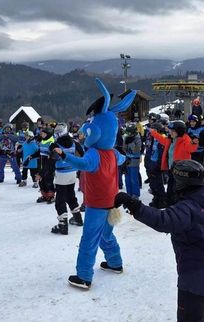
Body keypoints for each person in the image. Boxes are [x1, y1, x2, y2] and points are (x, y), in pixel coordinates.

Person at [114, 160, 204, 322]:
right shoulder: (202, 196)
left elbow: (164, 220)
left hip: (195, 274)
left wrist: (134, 205)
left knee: (191, 315)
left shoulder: (189, 207)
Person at [60, 79, 136, 290]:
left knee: (89, 239)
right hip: (111, 201)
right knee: (106, 235)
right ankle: (115, 262)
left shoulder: (94, 153)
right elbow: (122, 158)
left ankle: (84, 276)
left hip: (96, 203)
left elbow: (82, 163)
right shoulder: (112, 153)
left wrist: (63, 156)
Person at [150, 120, 198, 206]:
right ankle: (170, 204)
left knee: (177, 189)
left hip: (181, 170)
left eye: (173, 131)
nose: (170, 132)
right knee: (170, 188)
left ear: (179, 131)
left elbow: (191, 149)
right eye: (170, 131)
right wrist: (153, 133)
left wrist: (194, 143)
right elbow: (162, 140)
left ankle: (178, 206)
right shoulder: (171, 140)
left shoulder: (185, 139)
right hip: (172, 168)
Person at [49, 127, 85, 235]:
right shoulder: (74, 143)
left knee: (60, 199)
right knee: (70, 195)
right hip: (73, 172)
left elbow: (52, 159)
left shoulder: (55, 145)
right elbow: (82, 154)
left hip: (61, 173)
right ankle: (78, 218)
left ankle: (62, 225)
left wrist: (46, 174)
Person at [122, 123, 142, 198]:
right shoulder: (126, 137)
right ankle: (129, 193)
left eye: (130, 133)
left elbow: (136, 150)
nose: (128, 134)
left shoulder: (137, 138)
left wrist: (131, 143)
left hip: (134, 161)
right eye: (127, 133)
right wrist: (126, 144)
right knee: (127, 178)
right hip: (127, 160)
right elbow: (124, 148)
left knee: (134, 178)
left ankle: (135, 194)